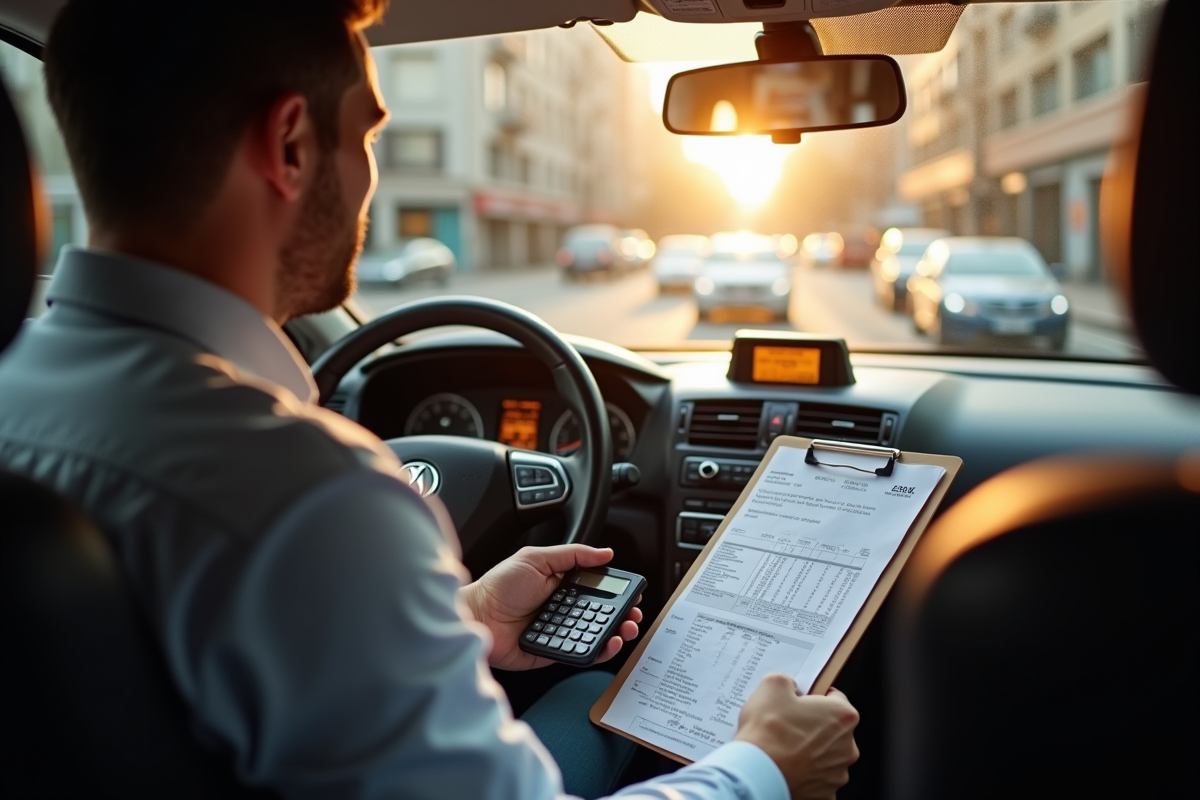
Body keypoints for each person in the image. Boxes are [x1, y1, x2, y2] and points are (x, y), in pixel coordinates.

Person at [0, 1, 861, 798]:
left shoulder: (18, 389)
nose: (369, 175)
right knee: (601, 690)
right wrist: (765, 772)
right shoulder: (310, 498)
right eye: (367, 138)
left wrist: (466, 619)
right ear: (291, 145)